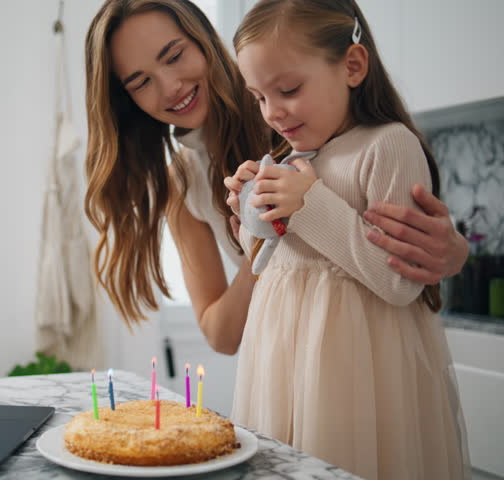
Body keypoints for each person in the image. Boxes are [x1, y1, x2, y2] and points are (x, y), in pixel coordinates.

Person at [83, 0, 468, 354]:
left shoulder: (299, 119)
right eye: (141, 82)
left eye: (175, 56)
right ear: (127, 102)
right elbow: (221, 335)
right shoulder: (183, 182)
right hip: (292, 357)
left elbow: (390, 255)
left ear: (203, 41)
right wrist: (267, 241)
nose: (170, 87)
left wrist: (455, 252)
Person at [225, 1, 469, 478]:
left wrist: (310, 203)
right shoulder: (290, 160)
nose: (272, 112)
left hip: (356, 378)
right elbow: (277, 262)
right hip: (285, 367)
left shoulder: (387, 145)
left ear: (353, 66)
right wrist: (246, 220)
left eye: (288, 89)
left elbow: (399, 284)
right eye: (258, 96)